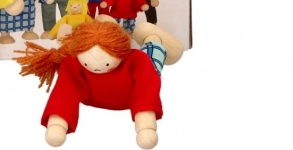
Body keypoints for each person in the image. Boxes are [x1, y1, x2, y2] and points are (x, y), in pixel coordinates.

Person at [14, 19, 184, 148]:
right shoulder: (74, 64)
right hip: (96, 96)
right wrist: (57, 124)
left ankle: (152, 36)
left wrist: (146, 127)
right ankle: (109, 23)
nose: (96, 68)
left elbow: (146, 89)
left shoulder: (137, 61)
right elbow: (64, 92)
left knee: (152, 57)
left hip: (130, 90)